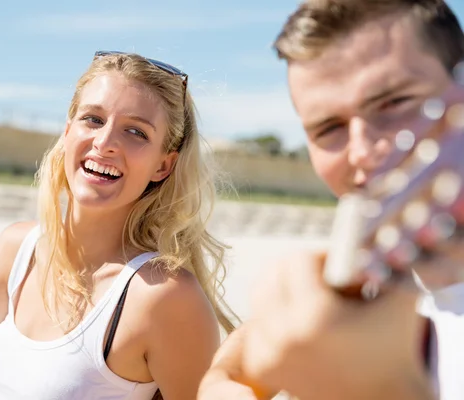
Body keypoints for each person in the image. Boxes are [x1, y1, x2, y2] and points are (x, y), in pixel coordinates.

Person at [0, 50, 238, 400]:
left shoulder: (162, 295)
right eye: (93, 119)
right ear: (67, 131)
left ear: (163, 166)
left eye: (136, 132)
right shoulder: (17, 250)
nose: (105, 143)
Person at [198, 0, 464, 399]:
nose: (359, 151)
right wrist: (222, 384)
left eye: (394, 103)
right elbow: (234, 364)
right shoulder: (373, 270)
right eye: (328, 128)